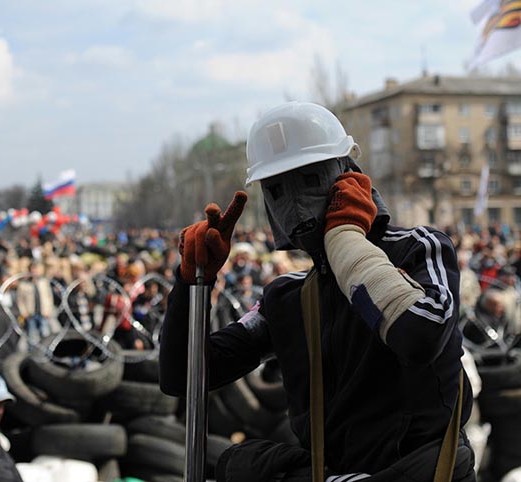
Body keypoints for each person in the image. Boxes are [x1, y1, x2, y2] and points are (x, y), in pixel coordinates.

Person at [159, 102, 474, 480]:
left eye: (309, 180)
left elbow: (419, 334)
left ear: (348, 177)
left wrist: (344, 236)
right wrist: (191, 282)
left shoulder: (420, 248)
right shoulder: (288, 299)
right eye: (276, 189)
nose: (292, 201)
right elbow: (183, 376)